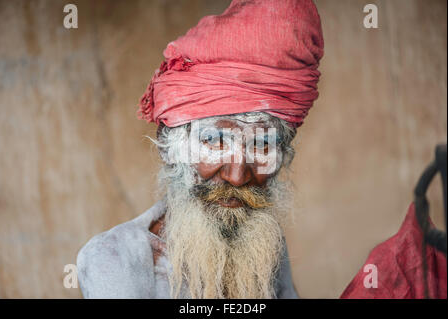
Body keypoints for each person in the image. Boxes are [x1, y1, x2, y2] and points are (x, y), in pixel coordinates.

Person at [77, 0, 324, 299]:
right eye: (215, 142)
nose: (237, 175)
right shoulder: (116, 259)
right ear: (171, 149)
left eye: (262, 145)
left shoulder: (262, 238)